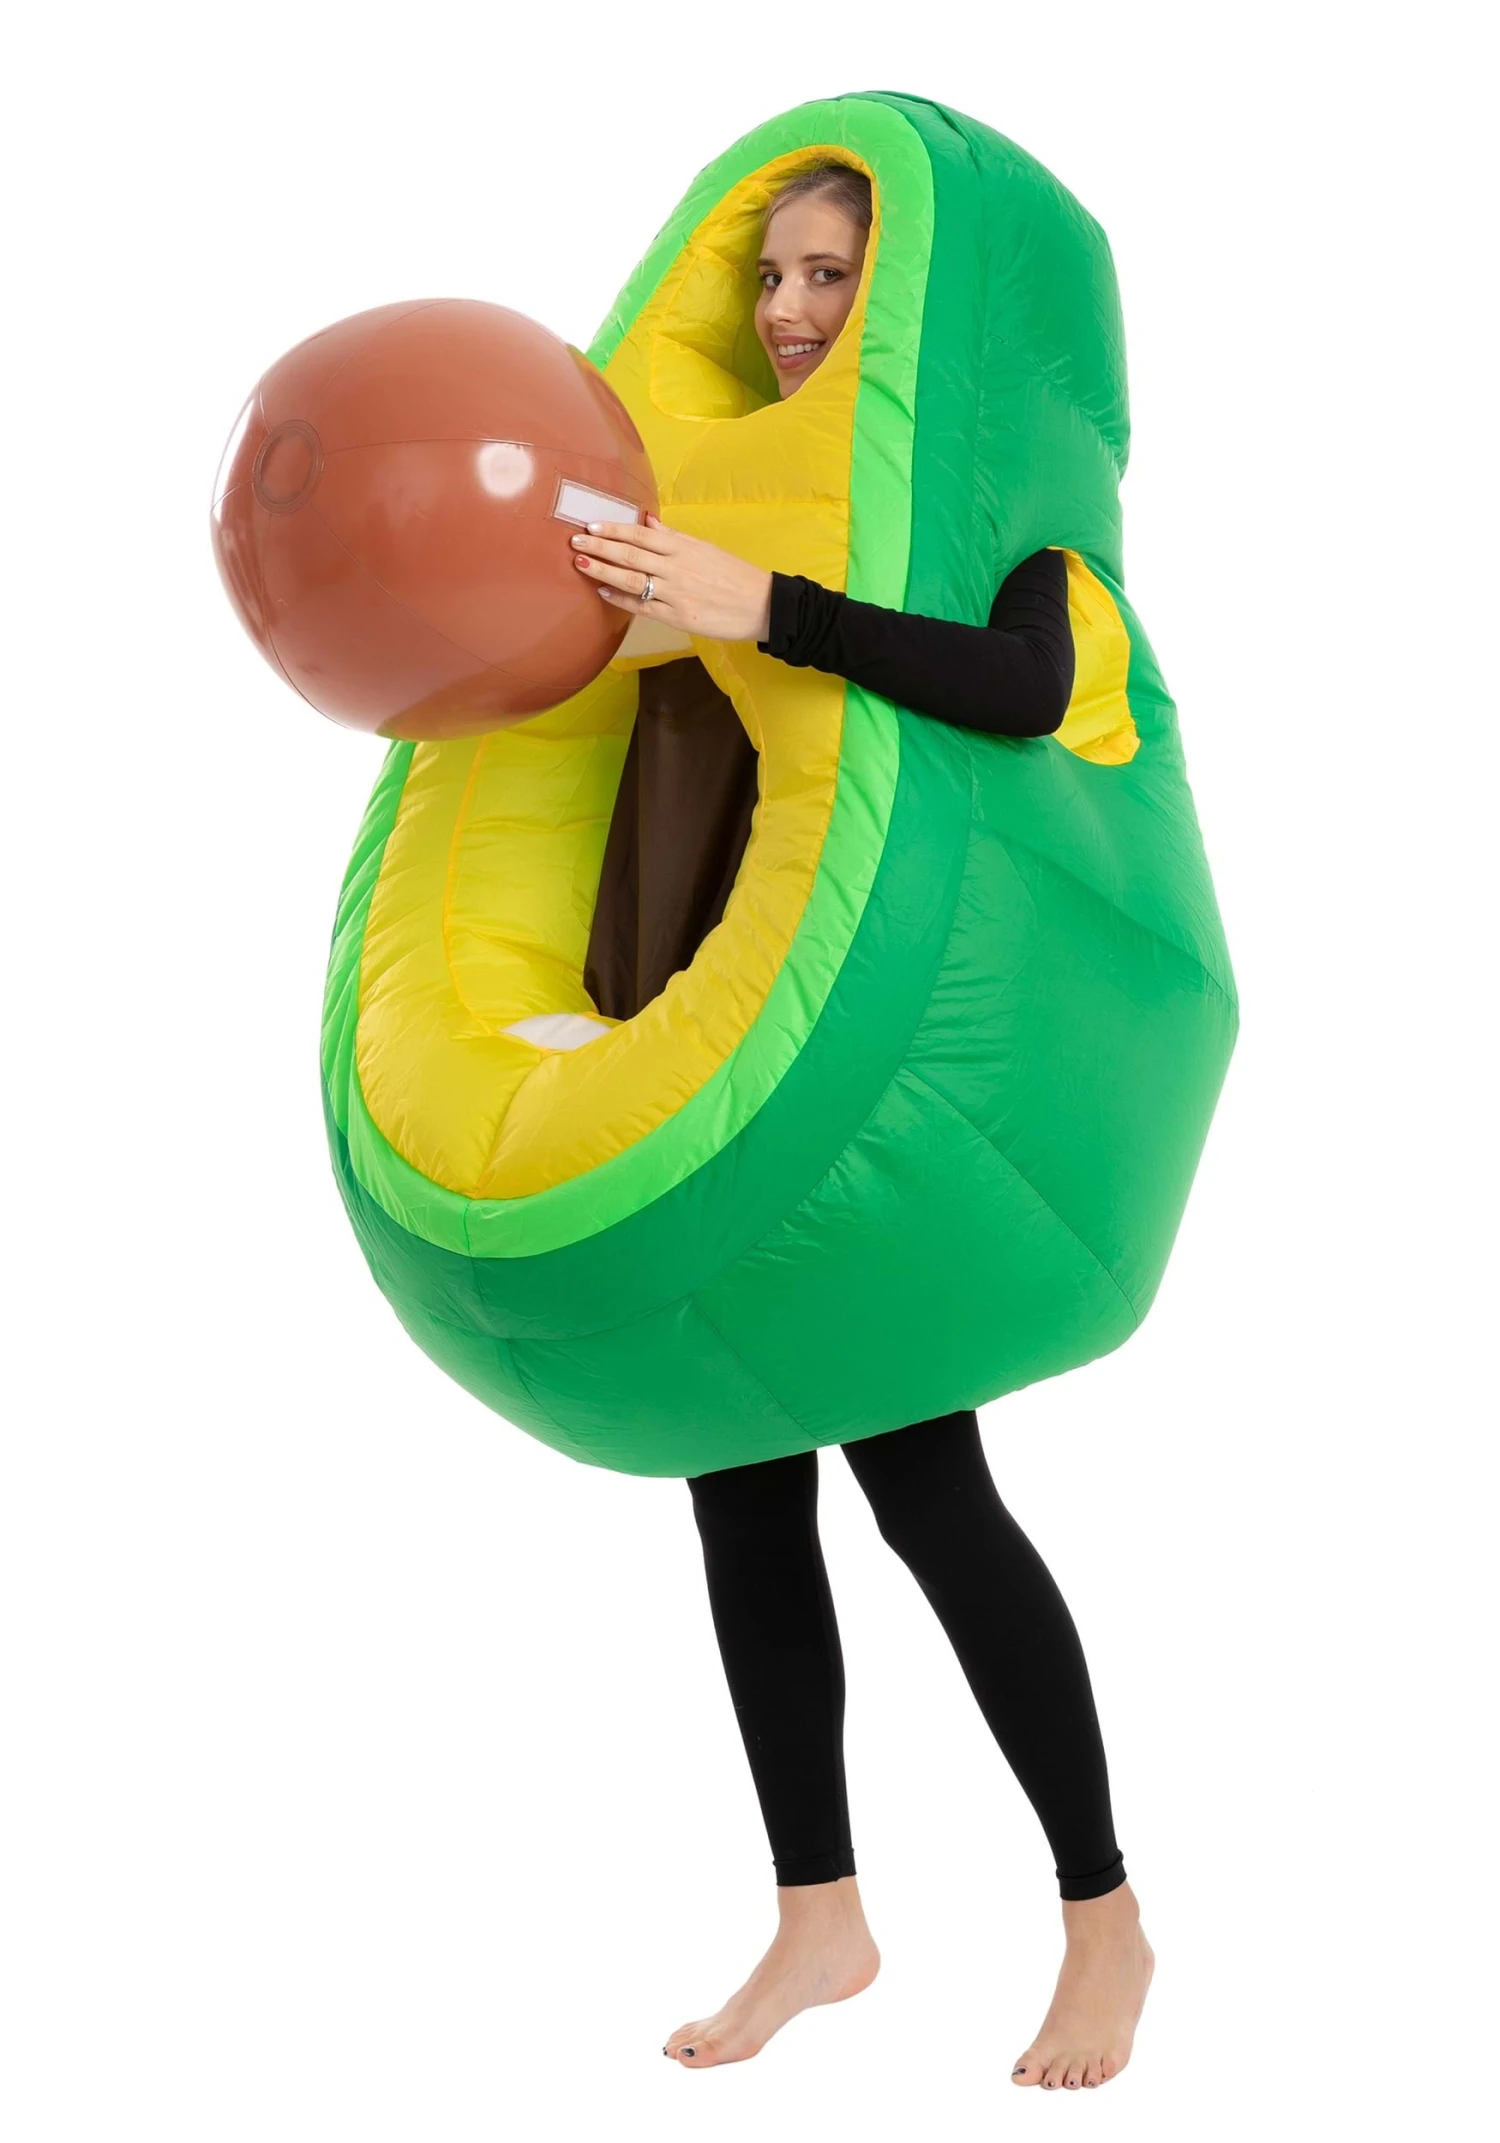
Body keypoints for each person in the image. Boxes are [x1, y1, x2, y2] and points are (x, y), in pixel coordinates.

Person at [566, 164, 1155, 2093]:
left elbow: (1025, 684)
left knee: (927, 1490)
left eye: (836, 274)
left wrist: (765, 610)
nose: (795, 310)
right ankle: (819, 1910)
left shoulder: (1008, 523)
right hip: (709, 1039)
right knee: (737, 1481)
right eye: (775, 276)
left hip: (876, 1078)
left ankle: (1104, 1916)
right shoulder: (716, 500)